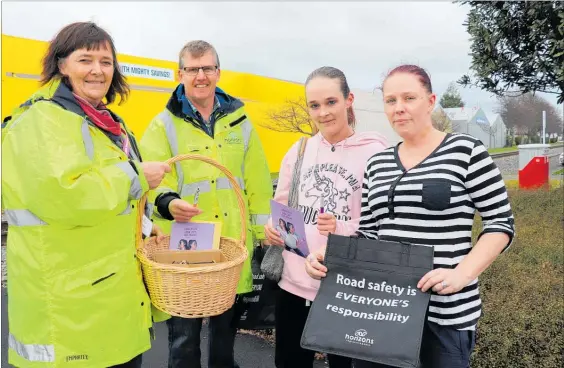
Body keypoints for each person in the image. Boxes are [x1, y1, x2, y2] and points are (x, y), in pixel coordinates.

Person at [305, 65, 515, 368]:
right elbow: (369, 234)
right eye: (391, 101)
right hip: (383, 312)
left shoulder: (466, 151)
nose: (399, 108)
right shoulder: (377, 164)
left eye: (409, 98)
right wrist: (330, 255)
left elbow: (500, 224)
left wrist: (462, 274)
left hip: (445, 314)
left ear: (430, 101)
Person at [1, 22, 171, 368]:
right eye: (85, 59)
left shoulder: (104, 122)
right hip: (69, 309)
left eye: (106, 61)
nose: (98, 70)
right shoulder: (42, 120)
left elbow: (110, 196)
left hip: (108, 297)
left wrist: (144, 225)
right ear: (61, 64)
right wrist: (139, 175)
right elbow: (66, 196)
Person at [140, 40, 272, 368]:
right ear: (180, 73)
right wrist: (169, 203)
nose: (201, 76)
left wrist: (261, 231)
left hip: (230, 245)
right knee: (184, 337)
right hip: (186, 245)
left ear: (218, 72)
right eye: (193, 69)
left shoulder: (239, 121)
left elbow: (256, 179)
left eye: (208, 68)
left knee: (225, 336)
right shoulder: (163, 124)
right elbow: (151, 177)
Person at [264, 66, 388, 368]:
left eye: (331, 102)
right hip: (294, 282)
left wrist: (343, 227)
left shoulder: (376, 151)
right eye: (314, 105)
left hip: (348, 285)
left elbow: (385, 220)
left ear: (349, 100)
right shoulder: (300, 149)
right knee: (290, 363)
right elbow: (282, 205)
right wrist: (272, 228)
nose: (323, 113)